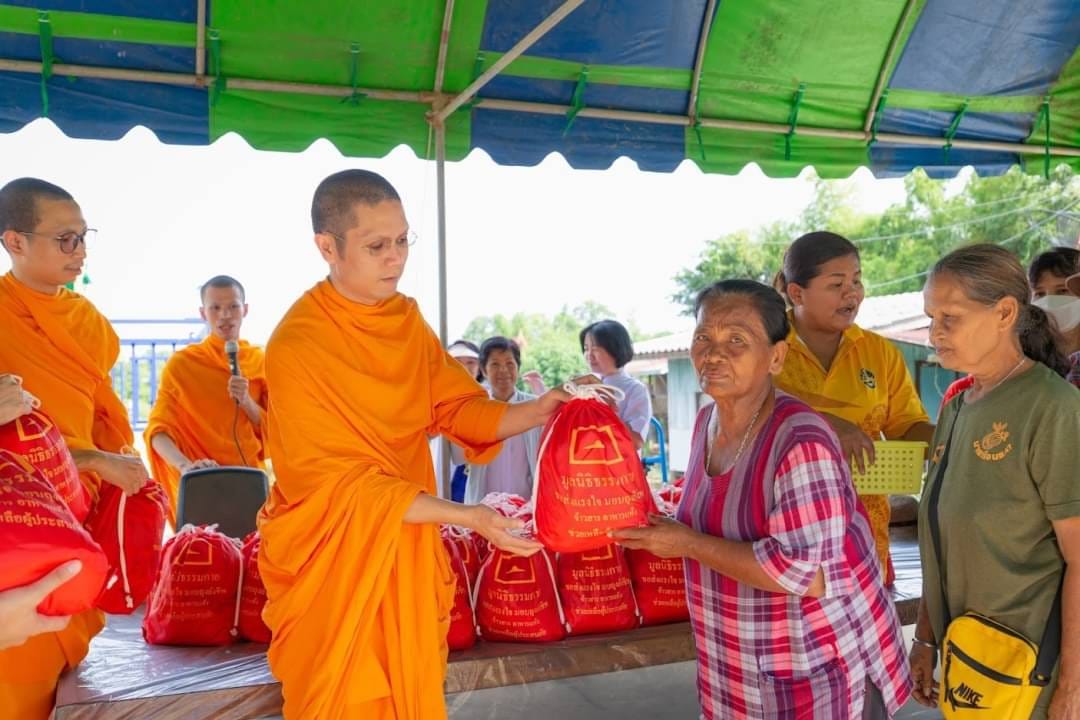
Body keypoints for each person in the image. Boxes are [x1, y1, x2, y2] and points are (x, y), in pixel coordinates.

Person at [257, 169, 583, 719]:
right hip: (336, 565)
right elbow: (341, 487)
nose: (396, 258)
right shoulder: (297, 345)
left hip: (402, 552)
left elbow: (458, 408)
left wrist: (541, 407)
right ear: (327, 248)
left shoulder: (406, 321)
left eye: (404, 240)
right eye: (377, 245)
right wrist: (467, 515)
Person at [613, 279, 910, 719]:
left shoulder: (800, 441)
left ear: (776, 357)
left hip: (817, 669)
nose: (713, 354)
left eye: (737, 340)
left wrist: (686, 544)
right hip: (738, 668)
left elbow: (803, 574)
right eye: (703, 338)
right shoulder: (706, 423)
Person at [0, 177, 149, 717]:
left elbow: (104, 421)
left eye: (84, 237)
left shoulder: (89, 323)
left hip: (79, 514)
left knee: (66, 672)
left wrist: (106, 466)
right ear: (15, 242)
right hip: (18, 532)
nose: (80, 251)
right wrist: (92, 459)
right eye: (65, 239)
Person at [912, 244, 1080, 718]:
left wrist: (1072, 684)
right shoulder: (957, 407)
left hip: (1031, 674)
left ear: (1005, 312)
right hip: (972, 666)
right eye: (931, 317)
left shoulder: (1053, 409)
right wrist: (926, 637)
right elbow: (940, 537)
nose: (935, 333)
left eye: (951, 317)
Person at [774, 231, 934, 582]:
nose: (852, 293)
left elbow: (906, 427)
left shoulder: (879, 352)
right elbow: (744, 415)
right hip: (785, 544)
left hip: (866, 540)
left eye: (857, 280)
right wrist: (825, 425)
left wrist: (953, 436)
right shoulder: (763, 347)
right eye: (836, 284)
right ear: (797, 292)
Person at [145, 275, 268, 525]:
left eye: (233, 306)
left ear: (245, 309)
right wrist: (185, 466)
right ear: (203, 313)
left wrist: (246, 401)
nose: (225, 315)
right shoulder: (183, 366)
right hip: (201, 481)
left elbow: (278, 432)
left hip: (251, 481)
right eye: (215, 308)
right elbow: (158, 432)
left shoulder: (261, 362)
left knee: (258, 561)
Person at [942, 246, 1080, 402]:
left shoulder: (1070, 377)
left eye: (1062, 291)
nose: (1049, 301)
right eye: (1039, 293)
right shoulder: (967, 393)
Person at [461, 336, 541, 503]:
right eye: (495, 364)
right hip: (484, 510)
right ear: (483, 370)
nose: (503, 370)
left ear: (518, 368)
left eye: (510, 364)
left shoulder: (535, 407)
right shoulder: (475, 409)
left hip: (526, 508)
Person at [580, 319, 652, 450]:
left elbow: (636, 442)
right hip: (584, 467)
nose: (589, 355)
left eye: (595, 349)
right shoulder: (582, 386)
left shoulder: (635, 389)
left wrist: (605, 410)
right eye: (586, 348)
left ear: (616, 349)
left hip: (619, 468)